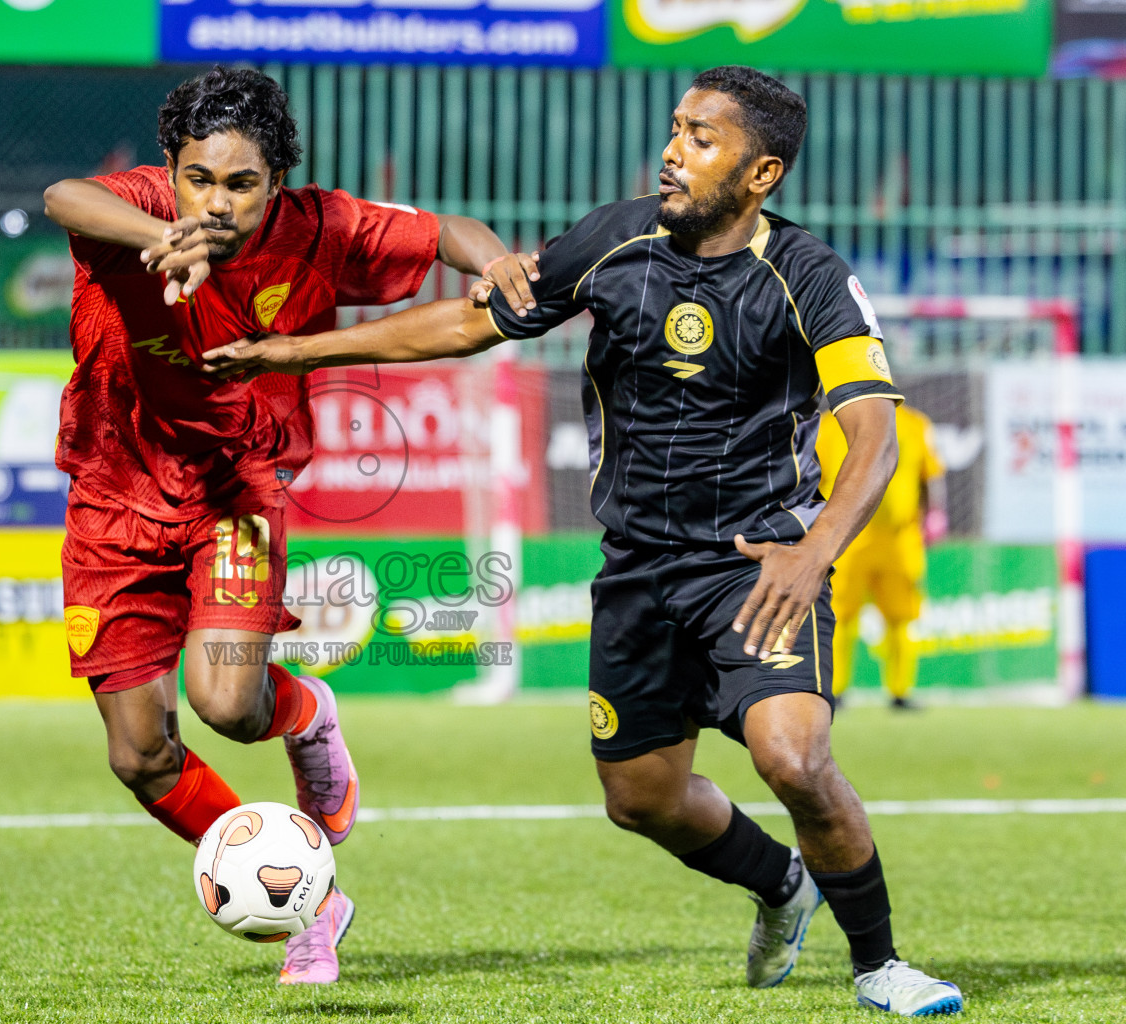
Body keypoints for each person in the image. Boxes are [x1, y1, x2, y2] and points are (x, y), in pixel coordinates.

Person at [203, 66, 964, 1016]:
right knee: (642, 799)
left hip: (757, 566)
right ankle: (781, 885)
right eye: (676, 129)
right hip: (638, 572)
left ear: (762, 173)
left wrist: (813, 553)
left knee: (793, 758)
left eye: (702, 139)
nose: (673, 150)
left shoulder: (808, 276)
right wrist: (296, 349)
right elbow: (469, 324)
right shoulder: (616, 237)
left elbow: (877, 432)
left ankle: (881, 966)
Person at [41, 66, 531, 986]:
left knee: (228, 704)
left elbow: (449, 235)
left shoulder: (326, 226)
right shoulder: (143, 209)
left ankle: (305, 713)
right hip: (112, 494)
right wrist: (161, 239)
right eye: (199, 178)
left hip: (235, 488)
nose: (215, 203)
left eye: (241, 184)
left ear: (279, 180)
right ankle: (314, 902)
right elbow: (61, 195)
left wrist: (494, 260)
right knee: (139, 754)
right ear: (170, 170)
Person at [817, 403, 948, 708]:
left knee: (900, 616)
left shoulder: (915, 423)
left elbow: (931, 473)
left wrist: (937, 514)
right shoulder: (828, 424)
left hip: (898, 538)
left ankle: (900, 691)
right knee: (839, 615)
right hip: (845, 536)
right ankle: (835, 689)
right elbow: (813, 473)